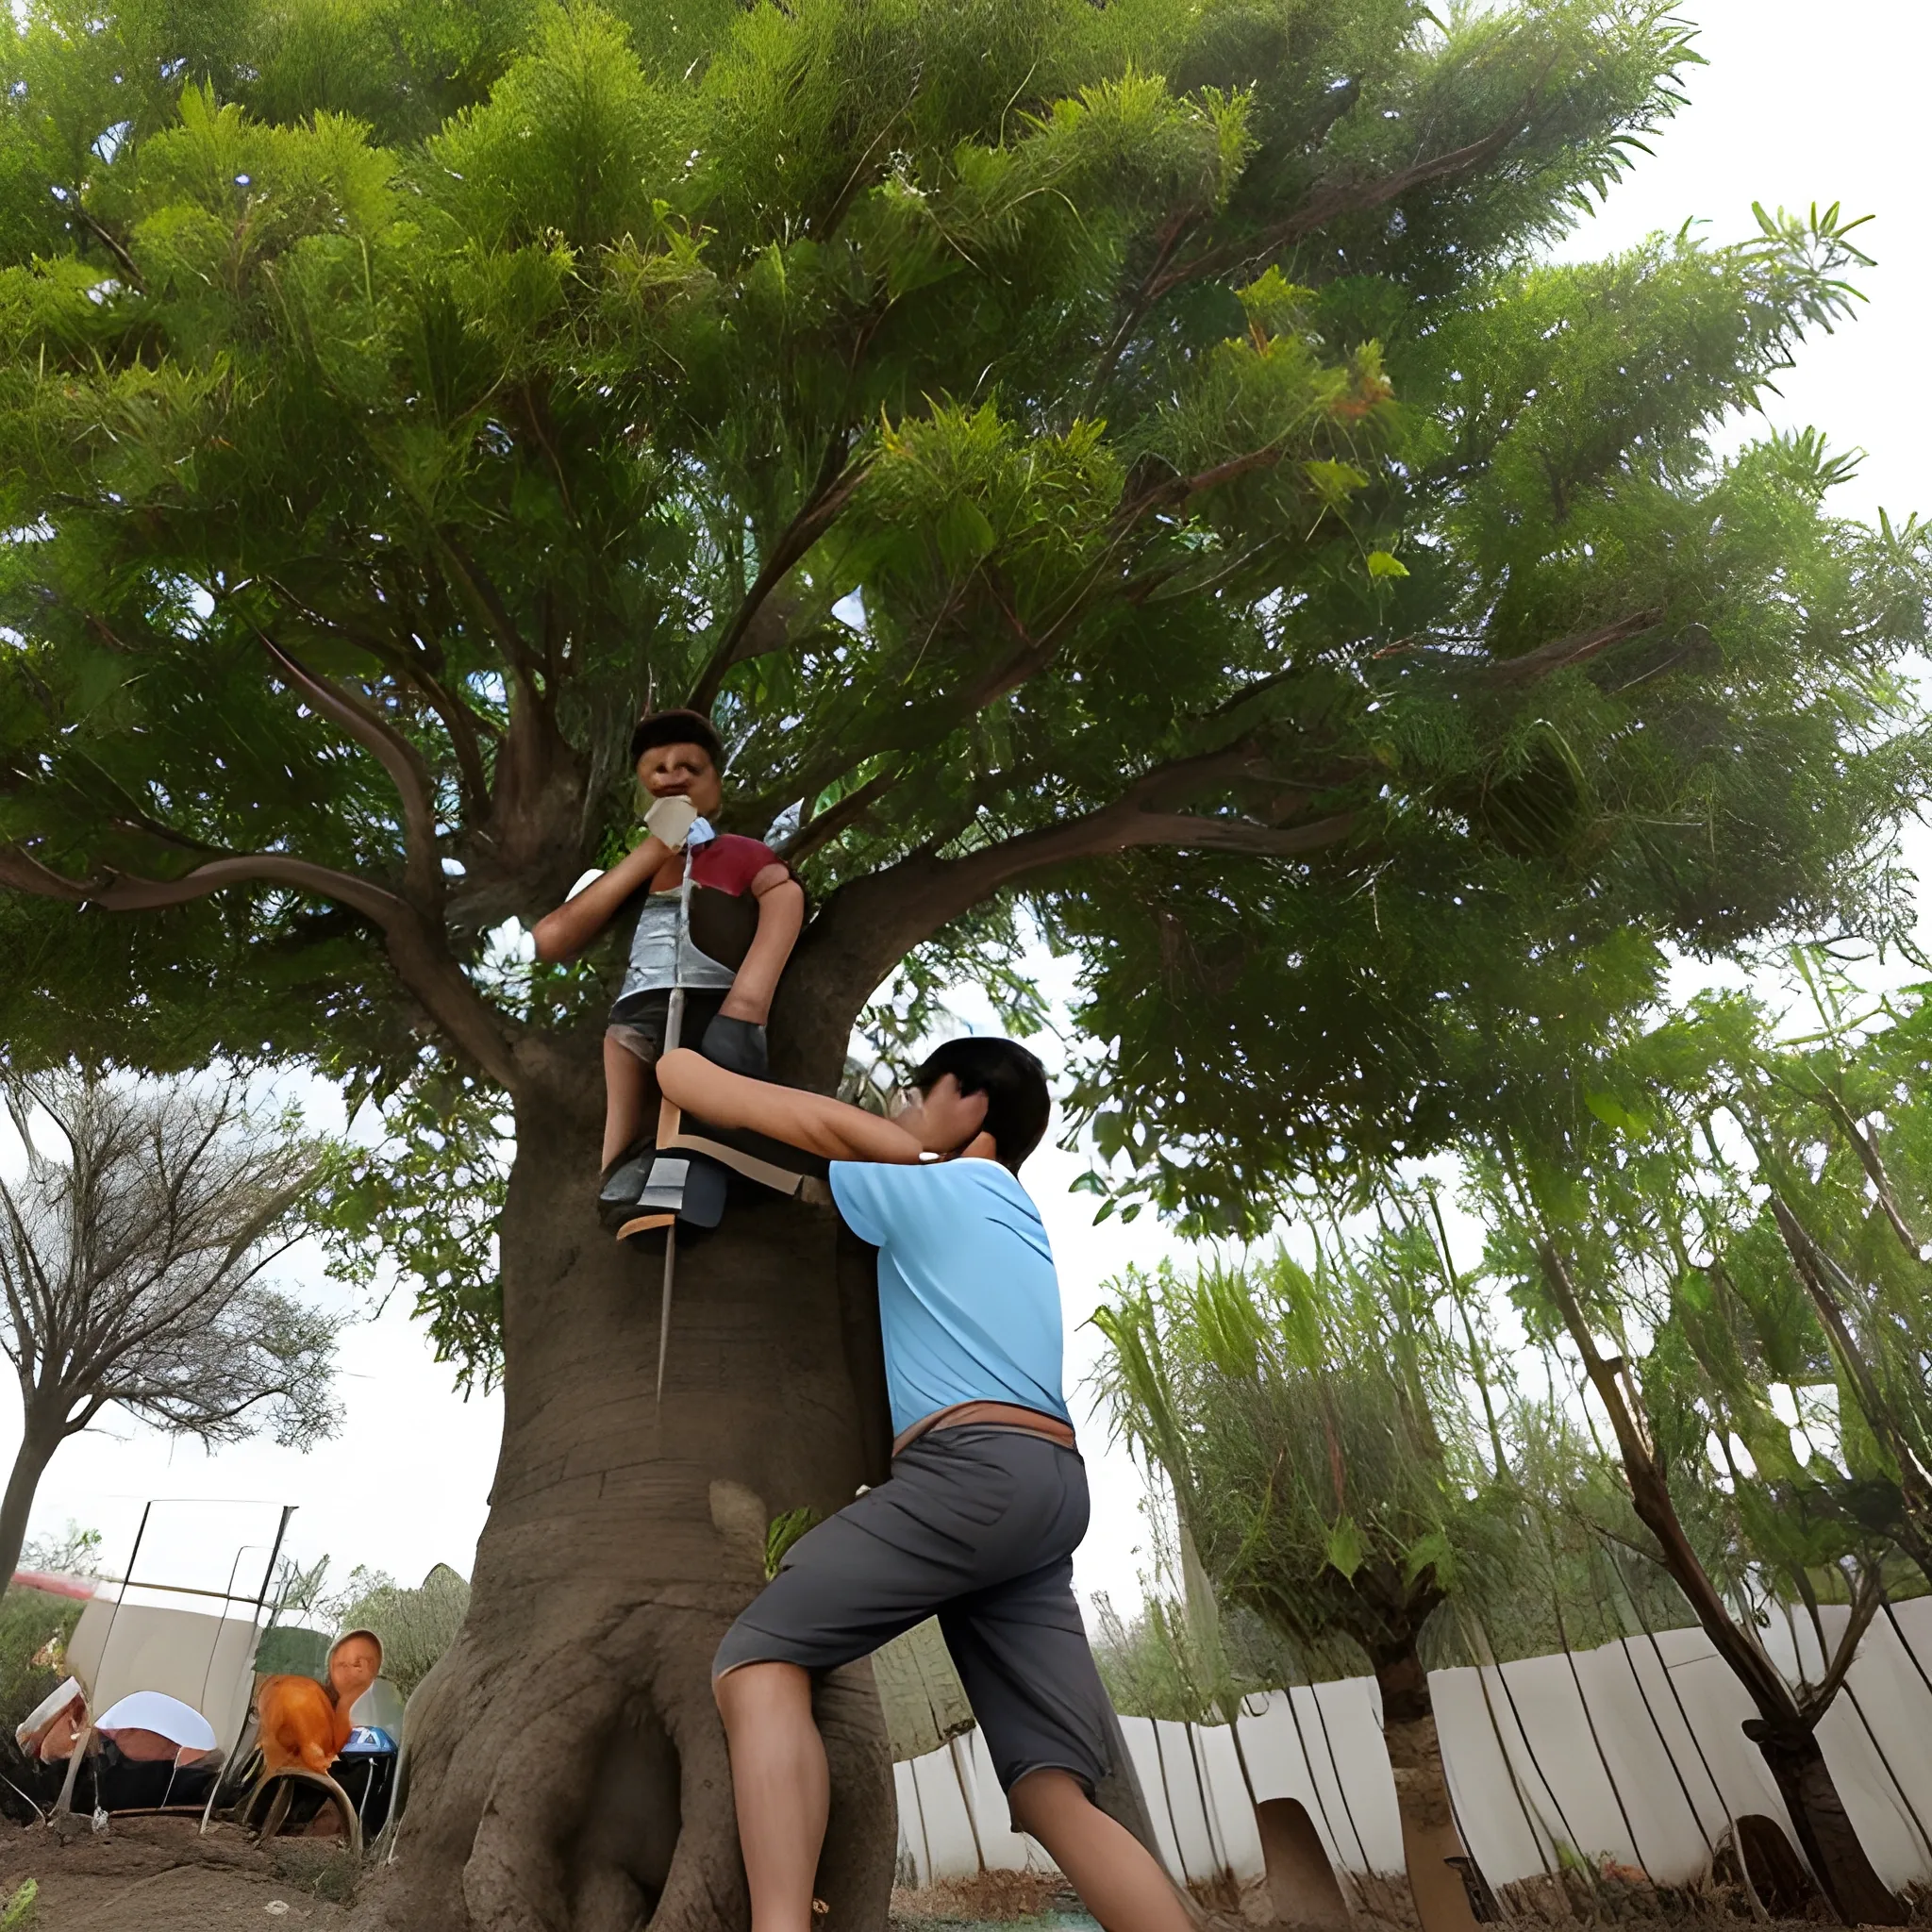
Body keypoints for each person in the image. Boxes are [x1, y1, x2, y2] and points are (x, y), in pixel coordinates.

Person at [655, 1037, 1192, 1932]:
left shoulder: (941, 1188)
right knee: (1056, 1790)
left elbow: (823, 1129)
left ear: (970, 1106)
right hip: (1052, 1488)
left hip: (972, 1471)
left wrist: (695, 1080)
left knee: (756, 1658)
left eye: (916, 1091)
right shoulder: (1017, 1213)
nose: (902, 1106)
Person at [532, 709, 806, 1227]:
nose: (673, 775)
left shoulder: (738, 853)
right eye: (658, 769)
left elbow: (783, 896)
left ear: (716, 788)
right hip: (638, 1005)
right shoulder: (624, 874)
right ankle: (619, 1178)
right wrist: (654, 849)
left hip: (708, 998)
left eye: (690, 767)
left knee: (697, 1094)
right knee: (626, 1067)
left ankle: (714, 1175)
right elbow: (552, 938)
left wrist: (747, 1003)